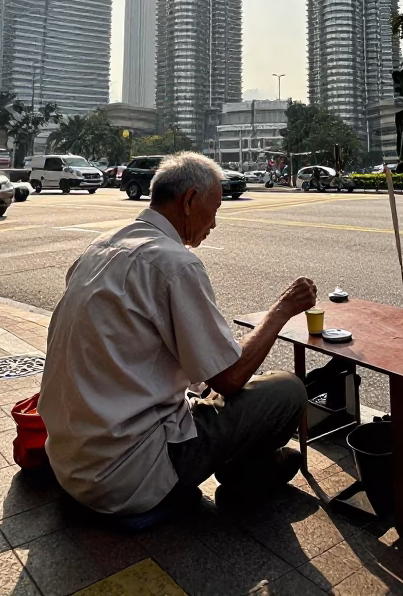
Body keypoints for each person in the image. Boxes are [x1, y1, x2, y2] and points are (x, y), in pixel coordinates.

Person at [40, 151, 315, 520]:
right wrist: (281, 311)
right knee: (287, 389)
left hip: (70, 463)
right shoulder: (174, 263)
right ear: (189, 201)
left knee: (206, 394)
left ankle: (249, 460)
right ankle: (244, 473)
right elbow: (230, 379)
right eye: (214, 209)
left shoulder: (101, 246)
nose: (214, 223)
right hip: (129, 475)